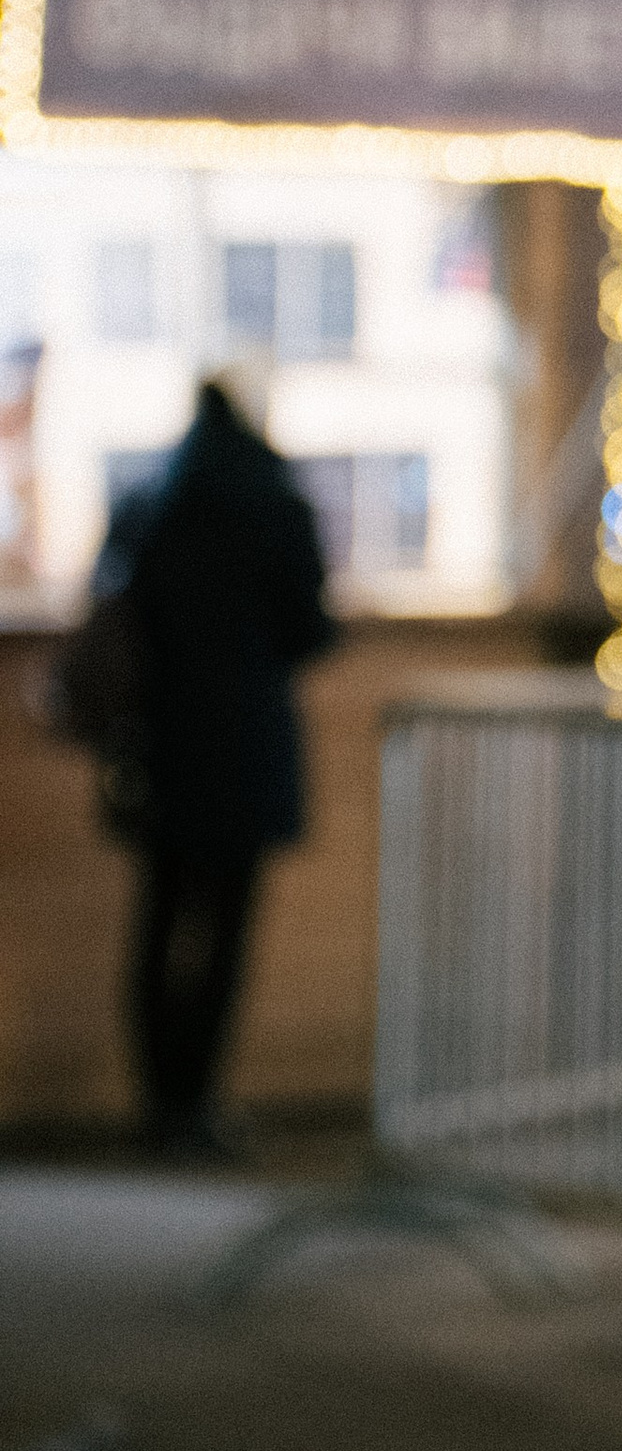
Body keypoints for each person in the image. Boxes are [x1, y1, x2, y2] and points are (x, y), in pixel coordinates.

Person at [97, 371, 333, 1158]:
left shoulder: (146, 503)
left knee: (158, 922)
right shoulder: (276, 503)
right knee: (224, 934)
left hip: (159, 747)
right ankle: (196, 1106)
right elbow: (310, 630)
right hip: (245, 748)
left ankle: (156, 1105)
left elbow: (109, 615)